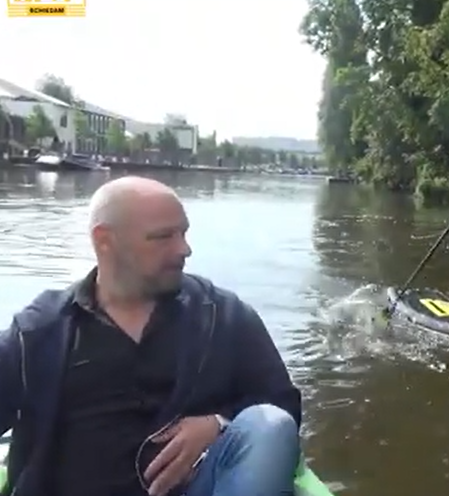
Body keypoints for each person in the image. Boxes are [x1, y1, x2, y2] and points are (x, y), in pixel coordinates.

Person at [0, 176, 303, 496]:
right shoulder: (40, 332)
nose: (184, 249)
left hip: (199, 488)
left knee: (269, 425)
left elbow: (284, 404)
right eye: (163, 237)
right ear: (105, 240)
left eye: (183, 233)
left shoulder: (224, 316)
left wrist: (218, 423)